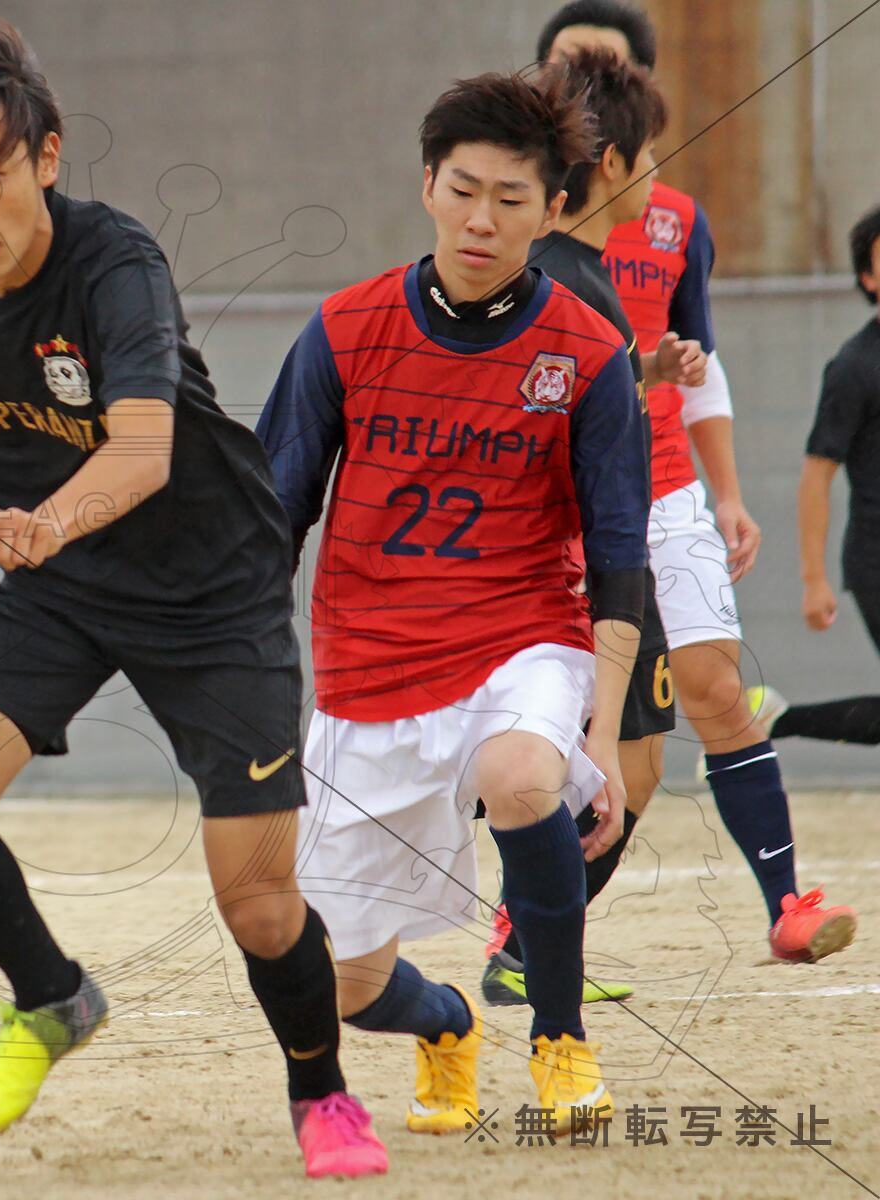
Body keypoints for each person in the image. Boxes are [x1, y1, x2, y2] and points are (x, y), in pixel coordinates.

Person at [0, 19, 380, 1179]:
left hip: (212, 591)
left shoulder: (117, 266)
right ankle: (53, 997)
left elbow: (141, 455)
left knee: (257, 901)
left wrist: (44, 522)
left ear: (47, 157)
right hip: (58, 583)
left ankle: (322, 1092)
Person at [259, 67, 636, 1141]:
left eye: (511, 199)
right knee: (342, 981)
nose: (481, 219)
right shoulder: (343, 330)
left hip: (522, 641)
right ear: (427, 184)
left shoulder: (588, 354)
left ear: (552, 210)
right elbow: (272, 518)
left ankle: (559, 1040)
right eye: (463, 190)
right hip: (366, 673)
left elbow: (620, 557)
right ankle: (446, 1022)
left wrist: (603, 738)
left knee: (520, 777)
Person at [538, 0, 858, 962]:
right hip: (576, 502)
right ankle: (530, 930)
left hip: (667, 484)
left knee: (718, 688)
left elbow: (697, 367)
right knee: (601, 737)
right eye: (562, 72)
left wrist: (728, 494)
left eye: (599, 74)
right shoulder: (522, 219)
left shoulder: (676, 220)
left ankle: (786, 906)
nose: (578, 90)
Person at [480, 48, 686, 1009]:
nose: (658, 178)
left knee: (587, 766)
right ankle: (524, 944)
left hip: (554, 566)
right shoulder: (576, 287)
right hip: (586, 571)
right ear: (610, 164)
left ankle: (525, 938)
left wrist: (642, 378)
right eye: (650, 157)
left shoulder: (559, 277)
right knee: (628, 769)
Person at [772, 203, 880, 748]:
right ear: (868, 278)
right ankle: (777, 722)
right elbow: (817, 476)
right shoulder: (854, 367)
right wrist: (813, 579)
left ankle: (775, 720)